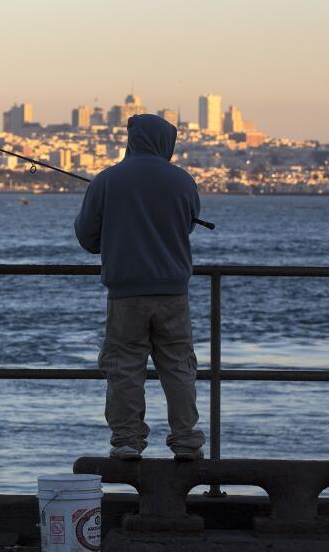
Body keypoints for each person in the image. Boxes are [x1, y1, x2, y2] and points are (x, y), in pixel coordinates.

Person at [73, 113, 206, 461]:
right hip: (173, 292)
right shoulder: (183, 181)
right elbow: (186, 226)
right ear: (167, 143)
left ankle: (128, 441)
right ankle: (186, 441)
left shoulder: (106, 181)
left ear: (132, 139)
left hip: (126, 292)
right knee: (178, 365)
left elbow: (87, 237)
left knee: (125, 367)